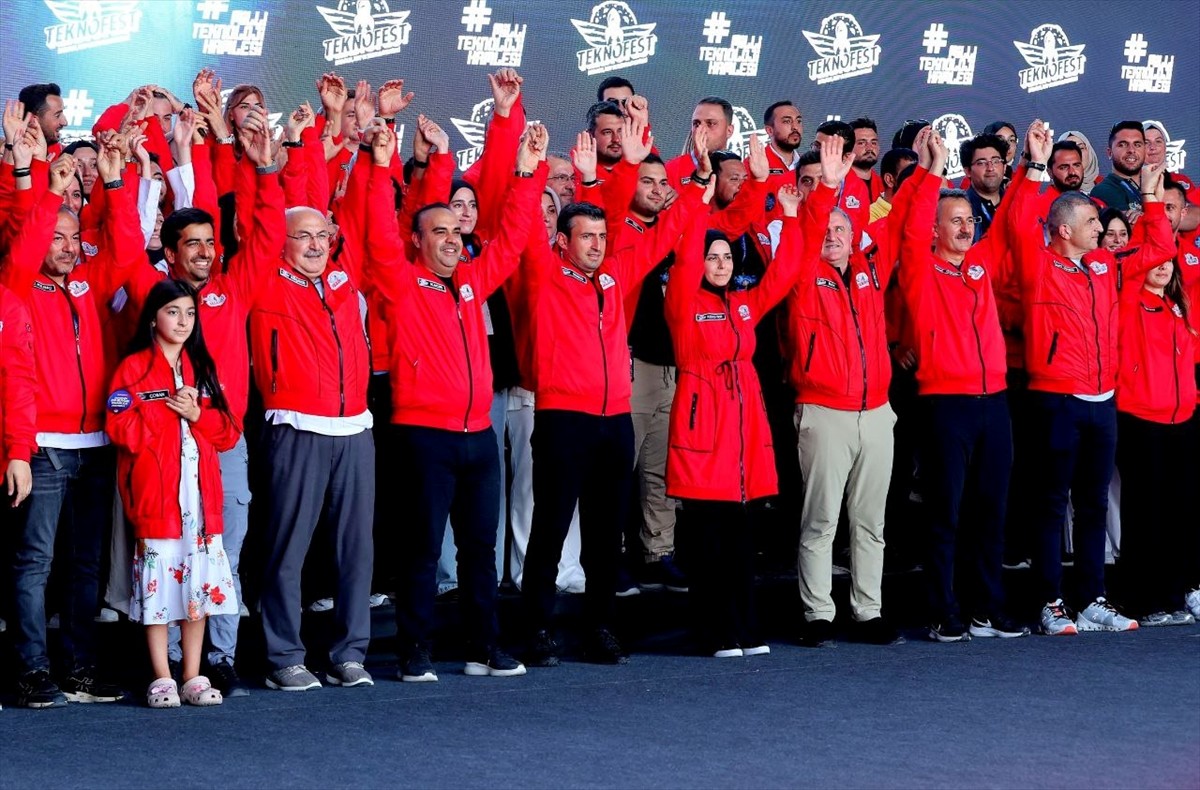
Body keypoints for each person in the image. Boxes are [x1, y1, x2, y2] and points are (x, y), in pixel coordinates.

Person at [518, 122, 712, 668]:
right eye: (587, 237)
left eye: (603, 237)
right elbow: (524, 227)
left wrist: (697, 180)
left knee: (607, 538)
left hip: (612, 420)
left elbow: (668, 230)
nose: (599, 245)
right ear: (563, 240)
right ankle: (536, 628)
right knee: (552, 531)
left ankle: (599, 628)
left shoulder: (615, 276)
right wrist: (534, 171)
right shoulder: (544, 274)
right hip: (563, 419)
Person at [359, 118, 544, 682]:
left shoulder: (470, 281)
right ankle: (414, 650)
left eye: (454, 231)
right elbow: (374, 231)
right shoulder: (399, 280)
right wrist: (379, 160)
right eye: (436, 230)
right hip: (423, 435)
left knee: (479, 551)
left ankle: (482, 646)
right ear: (416, 239)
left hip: (477, 438)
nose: (449, 237)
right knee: (420, 549)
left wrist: (528, 175)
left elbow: (511, 239)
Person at [1006, 120, 1176, 635]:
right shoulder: (1038, 266)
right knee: (1052, 502)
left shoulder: (1106, 265)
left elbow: (1159, 248)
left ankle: (1092, 599)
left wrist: (1150, 199)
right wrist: (1035, 165)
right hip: (1057, 399)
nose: (1099, 230)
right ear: (1062, 230)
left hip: (1103, 400)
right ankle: (1050, 603)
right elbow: (1017, 221)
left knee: (1093, 502)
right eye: (1090, 223)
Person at [666, 140, 818, 656]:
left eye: (726, 256)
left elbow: (784, 275)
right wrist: (699, 199)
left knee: (739, 542)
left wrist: (792, 216)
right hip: (703, 426)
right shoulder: (684, 303)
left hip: (744, 430)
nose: (720, 263)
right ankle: (713, 632)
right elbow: (687, 255)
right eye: (712, 256)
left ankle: (745, 629)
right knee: (708, 543)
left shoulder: (744, 306)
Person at [4, 138, 140, 709]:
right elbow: (26, 247)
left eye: (71, 238)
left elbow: (130, 253)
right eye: (53, 238)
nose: (62, 247)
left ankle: (80, 668)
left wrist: (113, 187)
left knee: (85, 564)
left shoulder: (90, 280)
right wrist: (53, 189)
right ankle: (30, 669)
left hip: (95, 444)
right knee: (34, 562)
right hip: (43, 449)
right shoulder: (17, 286)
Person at [900, 130, 1027, 642]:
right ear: (934, 229)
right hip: (944, 403)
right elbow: (909, 233)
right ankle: (942, 608)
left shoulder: (980, 264)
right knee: (945, 513)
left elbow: (1012, 221)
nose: (966, 227)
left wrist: (1032, 169)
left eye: (969, 221)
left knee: (991, 511)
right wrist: (933, 172)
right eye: (955, 221)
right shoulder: (920, 268)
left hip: (993, 401)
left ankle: (986, 607)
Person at [107, 280, 241, 707]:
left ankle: (193, 674)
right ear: (153, 318)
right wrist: (165, 413)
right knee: (158, 585)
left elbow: (229, 432)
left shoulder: (203, 366)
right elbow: (118, 427)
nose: (182, 321)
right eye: (173, 312)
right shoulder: (133, 369)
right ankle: (161, 676)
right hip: (157, 498)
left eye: (189, 313)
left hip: (200, 501)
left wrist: (197, 413)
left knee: (197, 586)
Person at [788, 136, 898, 648]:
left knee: (870, 522)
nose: (831, 234)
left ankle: (868, 611)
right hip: (824, 411)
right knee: (821, 521)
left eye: (840, 229)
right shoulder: (803, 272)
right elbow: (810, 226)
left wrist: (931, 172)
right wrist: (829, 187)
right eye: (825, 228)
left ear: (855, 239)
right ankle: (817, 615)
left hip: (876, 413)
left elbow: (904, 222)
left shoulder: (870, 277)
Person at [1090, 121, 1147, 213]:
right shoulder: (1103, 191)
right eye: (1123, 145)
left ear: (1145, 150)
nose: (1131, 150)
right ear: (1109, 153)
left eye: (1137, 145)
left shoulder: (1160, 185)